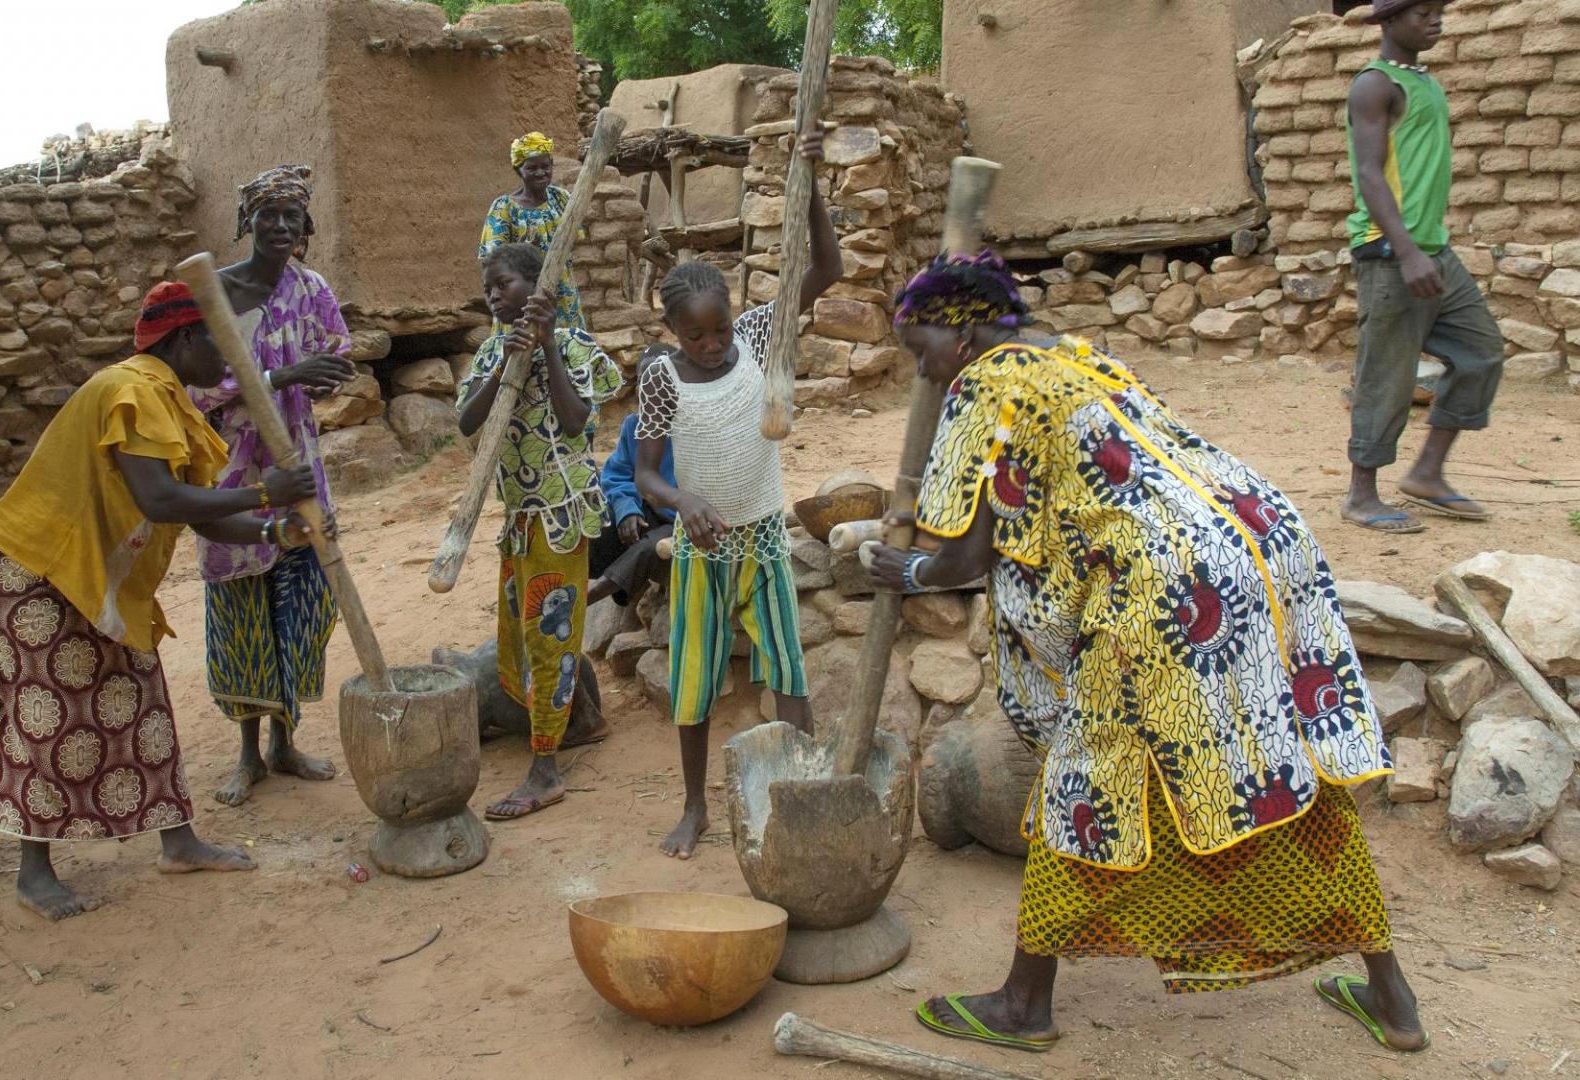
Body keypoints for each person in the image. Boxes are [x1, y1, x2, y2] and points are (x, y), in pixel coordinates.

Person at [867, 251, 1426, 1054]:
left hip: (1163, 591)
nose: (922, 373)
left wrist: (907, 569)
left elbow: (963, 558)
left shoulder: (986, 383)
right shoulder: (1078, 356)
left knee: (1083, 786)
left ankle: (1026, 1005)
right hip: (1257, 547)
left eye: (920, 352)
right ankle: (1394, 1000)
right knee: (1277, 762)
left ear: (956, 335)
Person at [0, 281, 320, 920]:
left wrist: (272, 530)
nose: (231, 355)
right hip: (35, 568)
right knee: (48, 714)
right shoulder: (134, 391)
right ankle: (33, 871)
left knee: (140, 696)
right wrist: (263, 494)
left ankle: (177, 841)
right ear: (184, 338)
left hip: (89, 571)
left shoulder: (169, 401)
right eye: (220, 340)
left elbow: (200, 516)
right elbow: (162, 502)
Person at [632, 123, 842, 859]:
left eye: (719, 328)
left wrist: (808, 186)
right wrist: (680, 501)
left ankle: (808, 788)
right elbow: (646, 471)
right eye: (698, 337)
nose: (714, 344)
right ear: (673, 333)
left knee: (788, 667)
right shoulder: (660, 377)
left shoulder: (757, 336)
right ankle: (695, 808)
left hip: (760, 534)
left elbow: (827, 268)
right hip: (700, 547)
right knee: (694, 681)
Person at [193, 164, 356, 807]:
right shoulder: (216, 295)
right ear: (246, 223)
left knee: (301, 603)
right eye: (269, 214)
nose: (282, 226)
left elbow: (336, 350)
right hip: (235, 469)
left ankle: (286, 743)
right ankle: (246, 754)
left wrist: (322, 375)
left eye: (292, 216)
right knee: (242, 609)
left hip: (296, 464)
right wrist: (286, 377)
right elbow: (197, 387)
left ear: (305, 226)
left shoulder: (311, 288)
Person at [456, 241, 621, 820]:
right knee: (525, 633)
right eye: (488, 288)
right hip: (520, 518)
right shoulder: (489, 353)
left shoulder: (572, 344)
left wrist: (547, 346)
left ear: (537, 287)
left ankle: (545, 770)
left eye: (505, 283)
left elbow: (577, 420)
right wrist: (507, 362)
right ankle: (583, 721)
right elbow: (466, 421)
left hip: (564, 515)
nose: (495, 294)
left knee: (548, 640)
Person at [1341, 0, 1502, 533]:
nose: (1435, 20)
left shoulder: (1424, 81)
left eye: (1438, 11)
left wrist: (1422, 249)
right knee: (1386, 375)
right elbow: (1369, 172)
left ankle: (1428, 473)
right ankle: (1362, 496)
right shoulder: (1374, 84)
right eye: (1421, 13)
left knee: (1480, 353)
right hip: (1391, 252)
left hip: (1431, 247)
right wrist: (1406, 251)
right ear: (1388, 22)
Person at [479, 132, 585, 332]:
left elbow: (574, 238)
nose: (540, 173)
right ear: (519, 169)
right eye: (532, 168)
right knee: (523, 347)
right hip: (523, 297)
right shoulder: (504, 208)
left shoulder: (561, 198)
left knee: (565, 349)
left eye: (546, 166)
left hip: (562, 292)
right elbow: (492, 258)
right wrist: (526, 251)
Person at [587, 394, 677, 607]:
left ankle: (588, 599)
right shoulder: (634, 424)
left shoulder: (694, 429)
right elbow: (616, 475)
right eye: (645, 389)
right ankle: (574, 584)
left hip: (681, 521)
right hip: (646, 510)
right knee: (602, 523)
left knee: (651, 549)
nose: (653, 394)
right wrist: (626, 508)